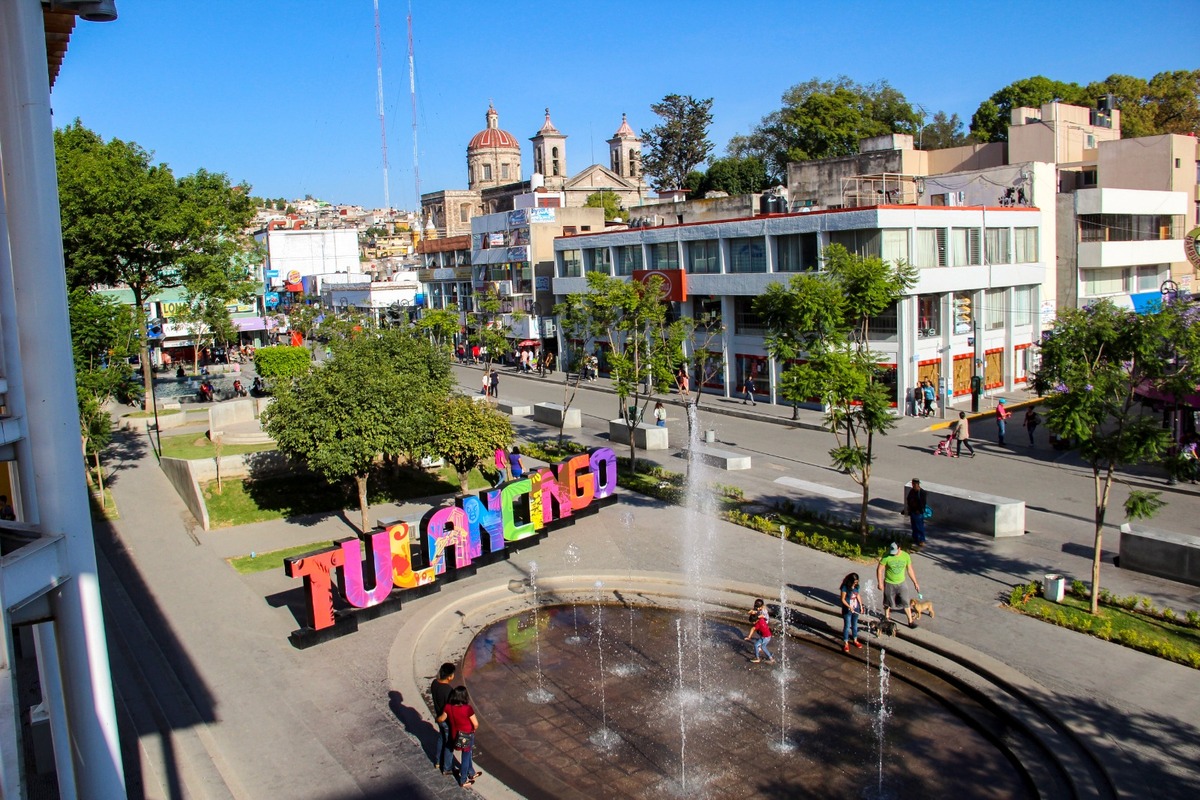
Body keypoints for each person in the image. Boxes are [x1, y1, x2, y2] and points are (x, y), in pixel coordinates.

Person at [436, 686, 481, 788]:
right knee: (466, 756)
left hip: (454, 734)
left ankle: (471, 772)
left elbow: (441, 719)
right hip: (467, 735)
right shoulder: (467, 709)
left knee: (467, 754)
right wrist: (473, 730)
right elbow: (476, 724)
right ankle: (463, 780)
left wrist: (437, 719)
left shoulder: (448, 707)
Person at [876, 542, 921, 628]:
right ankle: (887, 618)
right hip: (889, 582)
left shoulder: (906, 556)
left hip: (901, 582)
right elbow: (879, 570)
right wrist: (880, 583)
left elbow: (910, 570)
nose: (893, 553)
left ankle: (910, 621)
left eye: (895, 551)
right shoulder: (886, 556)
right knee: (887, 602)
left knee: (905, 601)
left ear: (899, 548)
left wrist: (915, 582)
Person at [430, 663, 456, 775]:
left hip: (438, 715)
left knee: (441, 738)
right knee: (449, 743)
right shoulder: (448, 690)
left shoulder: (434, 683)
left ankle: (437, 761)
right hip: (446, 720)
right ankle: (447, 767)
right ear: (449, 676)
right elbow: (451, 708)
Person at [743, 598, 774, 663]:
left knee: (756, 645)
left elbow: (753, 629)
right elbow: (762, 617)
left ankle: (757, 658)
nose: (753, 623)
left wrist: (749, 637)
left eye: (753, 622)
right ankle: (771, 658)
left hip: (765, 637)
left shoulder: (758, 623)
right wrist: (756, 615)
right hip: (768, 635)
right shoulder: (761, 619)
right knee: (764, 647)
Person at [839, 573, 863, 653]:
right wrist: (849, 607)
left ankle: (855, 639)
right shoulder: (845, 587)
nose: (856, 583)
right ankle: (846, 642)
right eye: (855, 582)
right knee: (847, 625)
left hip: (856, 608)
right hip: (847, 609)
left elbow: (857, 595)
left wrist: (861, 605)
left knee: (855, 625)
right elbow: (842, 599)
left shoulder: (856, 586)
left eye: (857, 582)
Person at [904, 478, 928, 548]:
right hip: (912, 511)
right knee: (914, 526)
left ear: (918, 484)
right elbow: (908, 498)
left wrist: (918, 510)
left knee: (919, 527)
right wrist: (909, 507)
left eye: (914, 484)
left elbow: (923, 503)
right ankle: (915, 538)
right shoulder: (912, 491)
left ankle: (921, 540)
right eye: (913, 484)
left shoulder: (922, 492)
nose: (913, 485)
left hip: (918, 513)